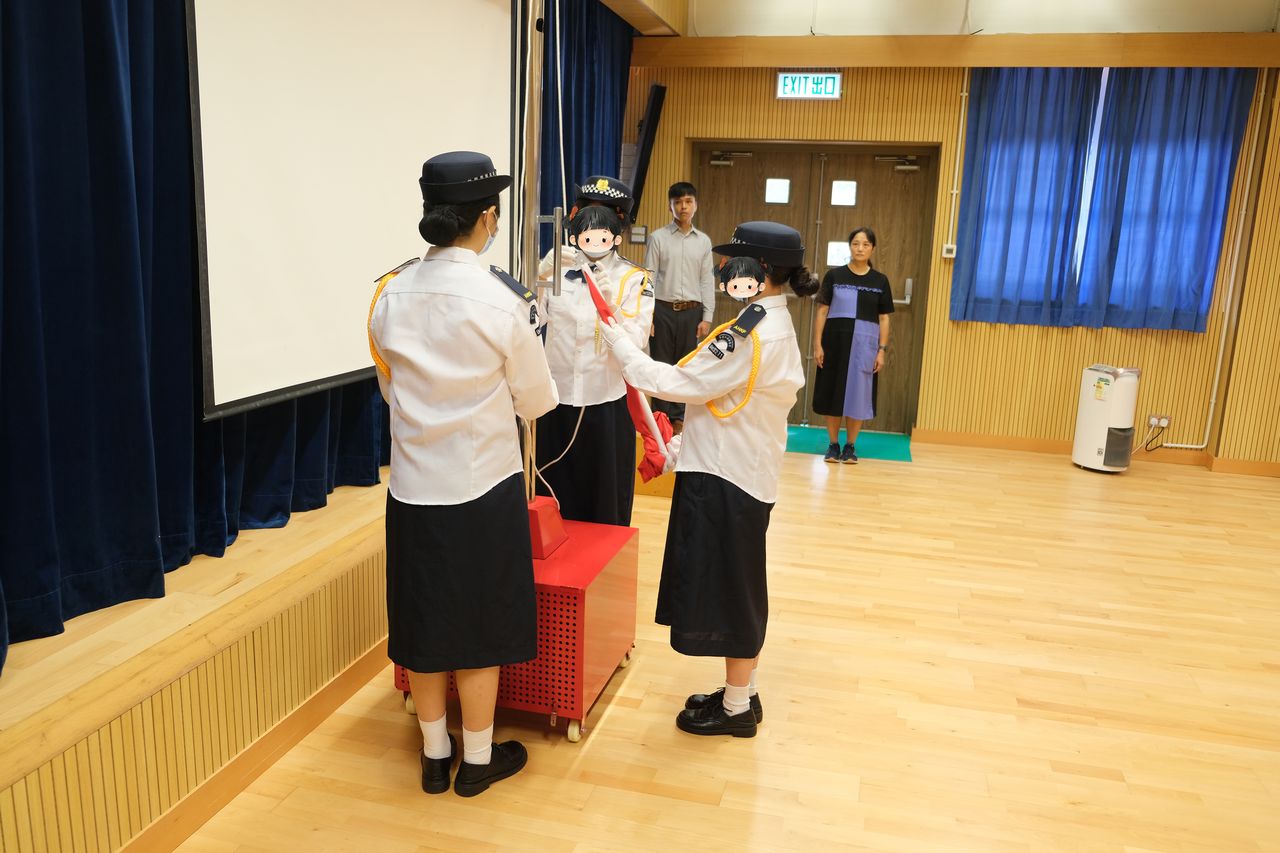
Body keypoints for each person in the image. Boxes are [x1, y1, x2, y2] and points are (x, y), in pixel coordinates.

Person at [367, 151, 558, 797]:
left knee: (422, 620)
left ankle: (433, 754)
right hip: (482, 485)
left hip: (412, 485)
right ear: (487, 219)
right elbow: (537, 402)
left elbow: (389, 387)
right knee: (479, 623)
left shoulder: (389, 292)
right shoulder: (502, 298)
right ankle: (477, 761)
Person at [599, 221, 817, 738]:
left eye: (731, 263)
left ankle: (737, 709)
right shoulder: (767, 321)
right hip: (739, 469)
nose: (723, 270)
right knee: (739, 585)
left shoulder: (753, 332)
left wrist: (620, 345)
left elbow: (683, 383)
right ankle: (743, 693)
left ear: (759, 271)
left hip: (727, 479)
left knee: (733, 593)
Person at [536, 196, 654, 525]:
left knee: (604, 500)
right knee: (552, 497)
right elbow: (531, 321)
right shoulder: (557, 270)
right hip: (556, 399)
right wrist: (539, 279)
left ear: (616, 237)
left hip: (605, 400)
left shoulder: (634, 278)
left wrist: (611, 308)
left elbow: (636, 341)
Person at [811, 227, 893, 464]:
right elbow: (822, 311)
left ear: (872, 248)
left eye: (865, 244)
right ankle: (833, 445)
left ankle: (850, 447)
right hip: (834, 344)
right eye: (856, 243)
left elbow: (884, 318)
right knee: (832, 393)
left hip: (865, 347)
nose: (860, 248)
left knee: (859, 395)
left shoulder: (880, 281)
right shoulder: (834, 276)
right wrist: (817, 344)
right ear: (850, 246)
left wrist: (881, 350)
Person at [644, 181, 716, 434]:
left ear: (696, 205)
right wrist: (647, 315)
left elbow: (707, 279)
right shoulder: (658, 238)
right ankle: (660, 418)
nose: (683, 206)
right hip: (662, 310)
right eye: (678, 202)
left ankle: (680, 418)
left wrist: (707, 316)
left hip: (692, 312)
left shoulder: (704, 242)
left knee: (686, 366)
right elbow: (649, 277)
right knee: (661, 365)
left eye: (688, 201)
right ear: (670, 207)